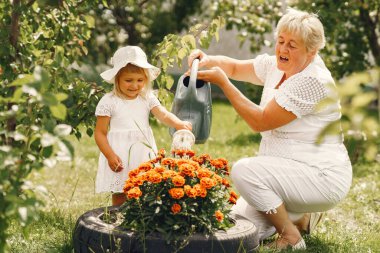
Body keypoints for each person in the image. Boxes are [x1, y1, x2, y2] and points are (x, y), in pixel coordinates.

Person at [187, 8, 352, 250]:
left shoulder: (312, 80)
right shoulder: (278, 65)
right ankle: (300, 216)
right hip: (285, 175)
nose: (283, 49)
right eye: (281, 41)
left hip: (321, 177)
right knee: (241, 228)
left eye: (292, 45)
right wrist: (207, 60)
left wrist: (224, 83)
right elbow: (234, 67)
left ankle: (291, 236)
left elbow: (260, 121)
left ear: (312, 50)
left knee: (243, 171)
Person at [95, 46, 192, 206]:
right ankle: (120, 219)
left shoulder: (147, 97)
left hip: (143, 151)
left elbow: (163, 114)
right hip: (119, 152)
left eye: (140, 80)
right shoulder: (109, 101)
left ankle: (141, 219)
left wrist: (179, 124)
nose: (135, 85)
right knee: (120, 190)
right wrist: (110, 155)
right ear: (117, 78)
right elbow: (100, 132)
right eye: (129, 80)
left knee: (146, 187)